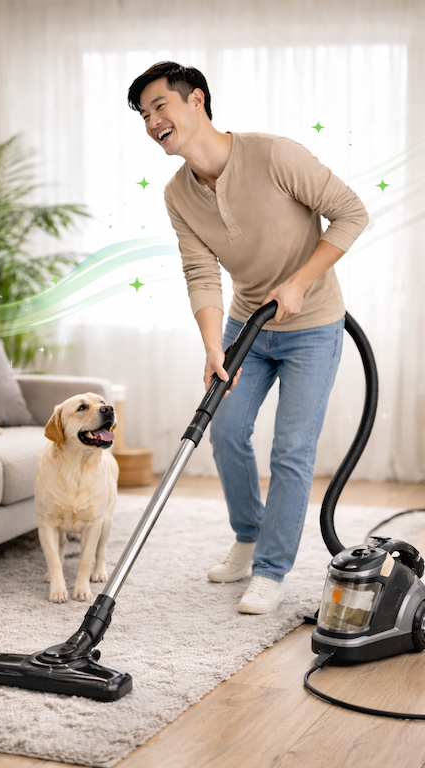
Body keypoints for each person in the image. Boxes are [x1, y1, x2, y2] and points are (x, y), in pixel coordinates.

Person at [127, 62, 369, 614]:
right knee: (225, 429)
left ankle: (272, 569)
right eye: (144, 116)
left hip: (312, 326)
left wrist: (300, 281)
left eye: (160, 106)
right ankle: (248, 534)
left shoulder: (275, 156)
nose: (152, 122)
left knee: (291, 450)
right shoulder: (177, 194)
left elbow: (352, 213)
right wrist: (214, 346)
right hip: (246, 327)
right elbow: (200, 272)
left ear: (197, 101)